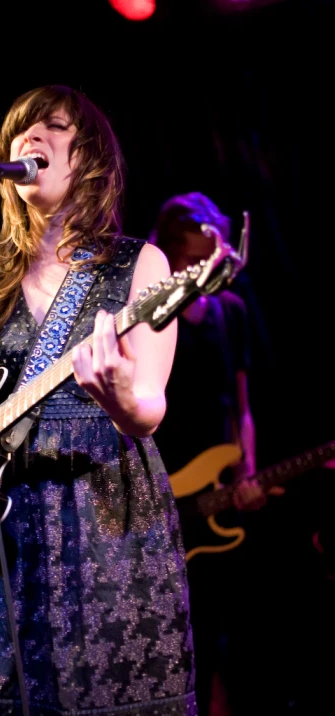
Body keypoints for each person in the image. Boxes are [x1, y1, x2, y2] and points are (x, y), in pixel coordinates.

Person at [0, 85, 197, 715]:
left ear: (89, 159)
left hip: (104, 517)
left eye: (53, 127)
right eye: (21, 129)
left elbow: (149, 409)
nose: (32, 137)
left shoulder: (140, 265)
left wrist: (114, 397)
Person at [148, 192, 282, 716]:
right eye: (198, 251)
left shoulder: (232, 312)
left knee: (212, 636)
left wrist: (245, 470)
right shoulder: (153, 310)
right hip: (158, 492)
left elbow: (241, 405)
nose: (213, 257)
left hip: (212, 497)